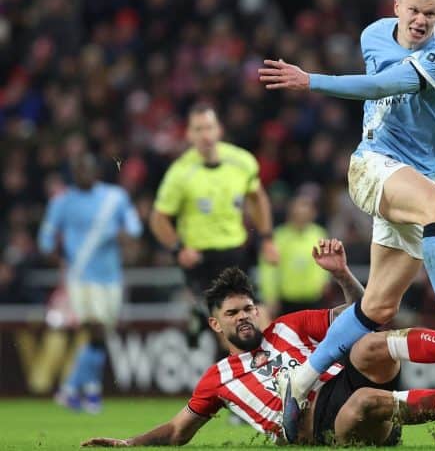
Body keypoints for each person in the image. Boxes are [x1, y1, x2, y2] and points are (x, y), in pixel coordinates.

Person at [258, 0, 435, 439]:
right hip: (372, 165)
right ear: (397, 7)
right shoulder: (373, 34)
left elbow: (383, 85)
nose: (421, 21)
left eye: (431, 14)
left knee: (378, 306)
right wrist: (314, 82)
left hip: (415, 177)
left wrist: (313, 80)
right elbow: (378, 88)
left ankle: (301, 380)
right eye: (414, 11)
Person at [81, 239, 435, 447]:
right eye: (232, 314)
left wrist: (341, 275)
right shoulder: (219, 379)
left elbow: (364, 314)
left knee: (368, 344)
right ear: (215, 325)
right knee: (365, 400)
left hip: (343, 382)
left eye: (248, 308)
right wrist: (130, 444)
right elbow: (178, 431)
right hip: (321, 428)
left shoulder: (288, 327)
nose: (244, 317)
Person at [149, 103, 279, 340]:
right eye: (198, 129)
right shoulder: (180, 172)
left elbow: (257, 198)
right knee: (229, 331)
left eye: (209, 127)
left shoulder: (242, 162)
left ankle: (201, 322)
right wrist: (179, 249)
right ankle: (203, 323)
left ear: (219, 130)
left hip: (237, 254)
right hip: (202, 260)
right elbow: (158, 219)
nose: (205, 135)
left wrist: (267, 238)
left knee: (261, 322)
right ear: (189, 135)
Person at [38, 153, 142, 413]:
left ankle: (83, 389)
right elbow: (45, 239)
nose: (83, 173)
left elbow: (134, 227)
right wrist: (59, 258)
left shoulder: (115, 197)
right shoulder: (62, 201)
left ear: (96, 171)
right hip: (81, 277)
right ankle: (78, 389)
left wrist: (125, 235)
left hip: (111, 276)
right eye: (78, 169)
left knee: (101, 332)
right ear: (73, 173)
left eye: (87, 168)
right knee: (95, 328)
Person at [260, 194, 329, 316]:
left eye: (305, 212)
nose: (301, 216)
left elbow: (326, 261)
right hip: (286, 299)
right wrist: (270, 296)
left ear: (312, 214)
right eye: (298, 213)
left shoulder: (318, 234)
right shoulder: (279, 236)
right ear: (291, 213)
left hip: (313, 297)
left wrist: (324, 281)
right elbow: (269, 269)